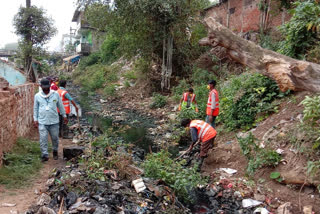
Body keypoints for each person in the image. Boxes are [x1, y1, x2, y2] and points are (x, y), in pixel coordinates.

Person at [33, 78, 68, 162]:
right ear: (41, 86)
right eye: (44, 87)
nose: (46, 89)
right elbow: (35, 108)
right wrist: (35, 119)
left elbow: (60, 106)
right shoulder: (37, 96)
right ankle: (44, 155)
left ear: (49, 86)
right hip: (42, 121)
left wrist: (64, 115)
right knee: (43, 139)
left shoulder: (55, 94)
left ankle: (55, 151)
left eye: (47, 87)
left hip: (54, 121)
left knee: (55, 138)